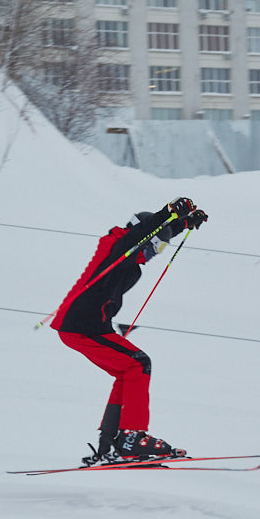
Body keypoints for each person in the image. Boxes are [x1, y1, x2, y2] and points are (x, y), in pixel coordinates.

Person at [50, 197, 208, 464]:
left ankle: (109, 445)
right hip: (81, 324)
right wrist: (166, 214)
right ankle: (132, 438)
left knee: (130, 369)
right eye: (152, 248)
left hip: (88, 325)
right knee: (138, 364)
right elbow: (137, 235)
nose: (151, 255)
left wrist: (180, 224)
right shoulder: (116, 247)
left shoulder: (130, 262)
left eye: (158, 250)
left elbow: (146, 236)